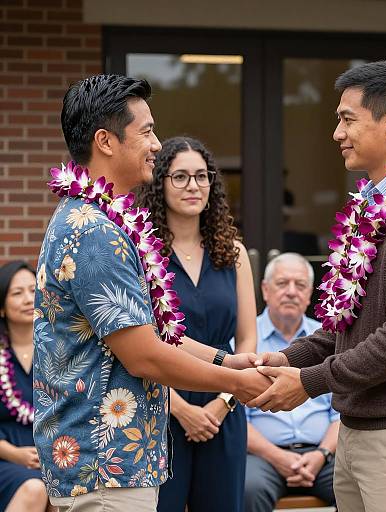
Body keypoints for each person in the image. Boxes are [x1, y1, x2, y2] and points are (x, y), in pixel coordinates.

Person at [33, 74, 270, 512]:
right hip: (105, 464)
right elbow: (144, 355)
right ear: (106, 141)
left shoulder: (94, 220)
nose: (157, 144)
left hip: (117, 461)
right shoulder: (94, 233)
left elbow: (153, 334)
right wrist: (239, 383)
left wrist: (225, 358)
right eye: (146, 131)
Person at [246, 61, 386, 512]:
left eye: (347, 119)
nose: (336, 133)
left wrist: (308, 383)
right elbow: (344, 328)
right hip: (361, 431)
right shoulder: (375, 208)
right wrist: (285, 359)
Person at [137, 136, 257, 512]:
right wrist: (183, 410)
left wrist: (223, 402)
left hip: (225, 409)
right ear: (161, 183)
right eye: (181, 177)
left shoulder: (233, 252)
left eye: (202, 176)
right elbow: (141, 342)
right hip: (163, 406)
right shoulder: (142, 254)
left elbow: (248, 338)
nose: (193, 186)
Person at [244, 253, 338, 512]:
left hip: (323, 455)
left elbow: (340, 414)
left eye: (300, 285)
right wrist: (278, 457)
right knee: (247, 489)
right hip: (263, 457)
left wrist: (322, 455)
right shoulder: (245, 341)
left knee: (358, 483)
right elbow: (236, 418)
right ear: (265, 290)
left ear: (310, 294)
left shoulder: (330, 339)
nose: (291, 292)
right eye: (282, 283)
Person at [0, 261, 55, 512]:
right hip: (6, 456)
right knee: (35, 487)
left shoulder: (56, 351)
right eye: (17, 293)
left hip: (57, 454)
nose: (27, 299)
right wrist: (15, 454)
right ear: (2, 306)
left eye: (33, 291)